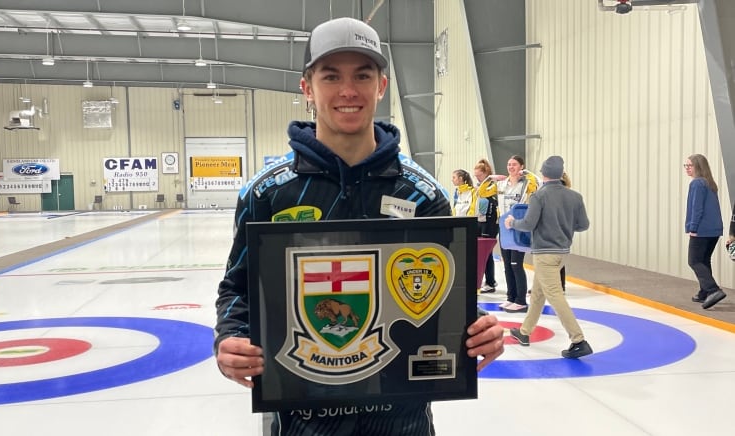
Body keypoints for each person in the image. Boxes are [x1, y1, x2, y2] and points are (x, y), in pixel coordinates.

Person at [214, 16, 505, 435]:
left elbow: (443, 298)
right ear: (307, 87)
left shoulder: (423, 195)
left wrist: (479, 329)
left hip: (403, 424)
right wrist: (228, 339)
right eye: (331, 76)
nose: (348, 91)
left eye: (363, 75)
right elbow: (237, 290)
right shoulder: (266, 194)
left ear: (381, 86)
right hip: (301, 423)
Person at [504, 155, 592, 359]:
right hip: (562, 253)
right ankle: (525, 332)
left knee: (554, 295)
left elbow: (527, 224)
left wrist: (511, 223)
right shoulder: (575, 197)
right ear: (561, 174)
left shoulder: (539, 196)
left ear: (543, 174)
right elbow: (583, 225)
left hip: (544, 253)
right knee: (537, 295)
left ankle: (578, 340)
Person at [495, 155, 538, 313]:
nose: (511, 167)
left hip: (517, 226)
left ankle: (520, 300)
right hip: (503, 226)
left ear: (521, 166)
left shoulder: (526, 184)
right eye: (509, 164)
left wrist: (528, 173)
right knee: (506, 265)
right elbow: (482, 192)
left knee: (516, 264)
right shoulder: (501, 184)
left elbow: (537, 184)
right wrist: (491, 178)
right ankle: (510, 297)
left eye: (514, 164)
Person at [684, 154, 726, 309]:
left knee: (694, 260)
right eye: (686, 166)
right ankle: (704, 292)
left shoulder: (697, 184)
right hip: (714, 231)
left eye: (690, 166)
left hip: (702, 230)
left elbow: (697, 208)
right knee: (703, 260)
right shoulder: (709, 183)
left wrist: (693, 227)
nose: (687, 168)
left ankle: (713, 290)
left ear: (698, 167)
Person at [472, 159, 499, 293]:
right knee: (479, 252)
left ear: (486, 173)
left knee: (487, 253)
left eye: (479, 175)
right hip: (479, 221)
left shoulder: (492, 187)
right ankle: (482, 279)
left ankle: (490, 281)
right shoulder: (477, 187)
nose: (477, 178)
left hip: (489, 222)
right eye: (475, 176)